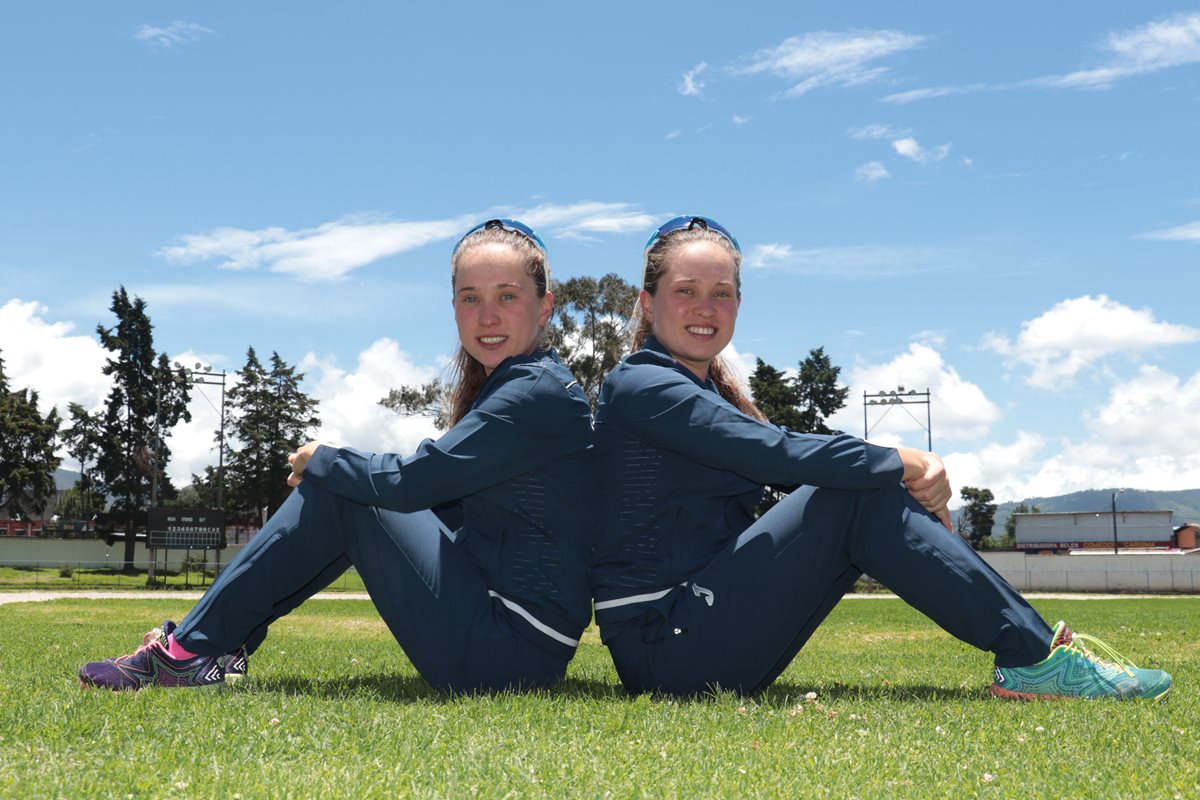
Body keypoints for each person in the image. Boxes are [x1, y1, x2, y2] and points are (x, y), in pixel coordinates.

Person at [589, 214, 1172, 701]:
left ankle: (1035, 652)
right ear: (647, 302)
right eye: (685, 291)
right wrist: (907, 462)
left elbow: (789, 452)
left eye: (721, 293)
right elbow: (778, 455)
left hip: (698, 630)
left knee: (859, 485)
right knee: (854, 493)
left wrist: (896, 477)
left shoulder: (708, 395)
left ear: (739, 304)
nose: (704, 307)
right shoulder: (641, 384)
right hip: (665, 644)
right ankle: (1034, 656)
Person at [80, 219, 595, 693]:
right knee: (349, 488)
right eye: (469, 298)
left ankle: (186, 652)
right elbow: (441, 503)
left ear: (544, 306)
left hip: (506, 651)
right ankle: (211, 644)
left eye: (507, 296)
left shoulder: (533, 393)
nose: (487, 315)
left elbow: (417, 482)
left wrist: (323, 459)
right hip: (511, 642)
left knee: (344, 485)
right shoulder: (524, 387)